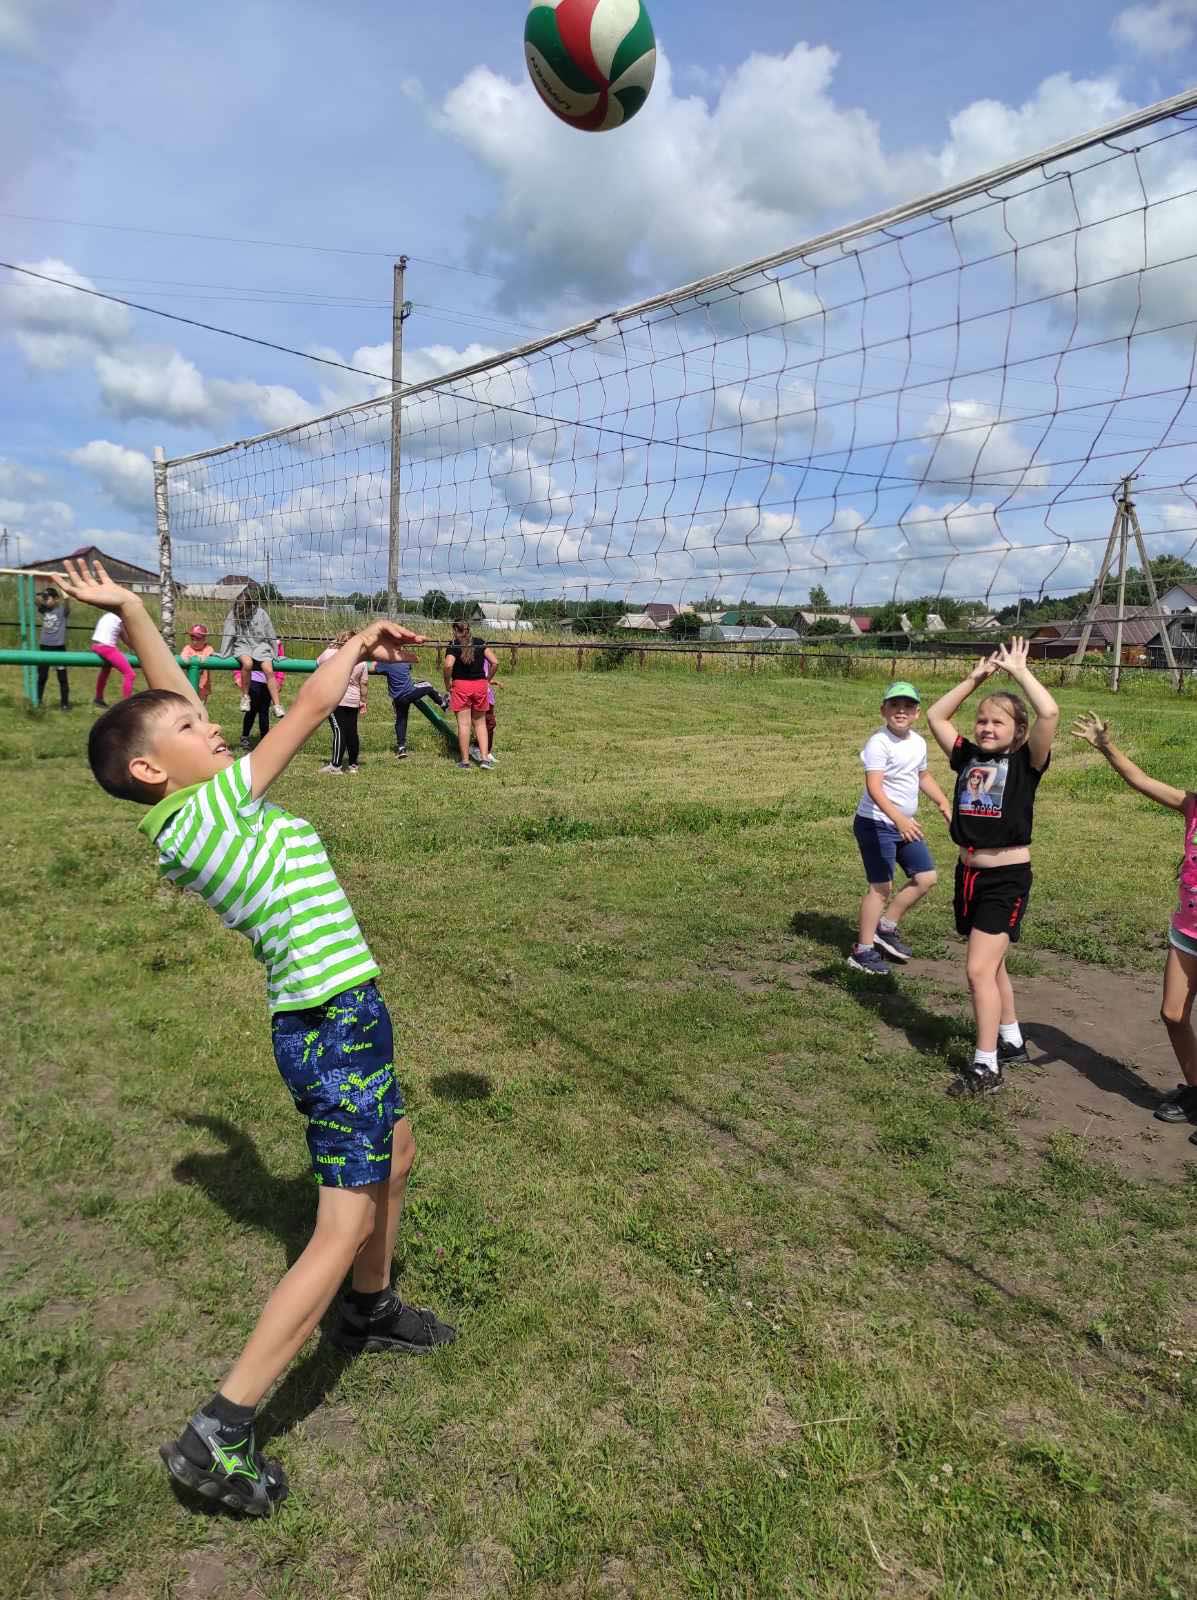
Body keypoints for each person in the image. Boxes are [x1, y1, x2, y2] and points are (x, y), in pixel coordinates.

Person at [48, 555, 453, 1518]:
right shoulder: (203, 817)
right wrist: (355, 642)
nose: (209, 720)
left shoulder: (199, 801)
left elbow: (171, 693)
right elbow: (309, 711)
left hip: (341, 1013)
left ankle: (368, 1307)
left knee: (393, 1149)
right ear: (152, 771)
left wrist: (136, 611)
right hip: (328, 1023)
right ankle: (218, 1432)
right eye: (191, 728)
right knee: (339, 1220)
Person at [926, 638, 1059, 1097]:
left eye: (997, 722)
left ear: (1017, 731)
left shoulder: (1027, 762)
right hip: (969, 875)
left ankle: (986, 1068)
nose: (986, 727)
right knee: (992, 963)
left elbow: (1049, 714)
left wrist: (1021, 673)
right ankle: (1011, 1038)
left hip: (1006, 878)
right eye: (982, 720)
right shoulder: (967, 758)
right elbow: (936, 717)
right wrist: (975, 679)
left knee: (978, 970)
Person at [1072, 711, 1197, 1140]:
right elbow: (1141, 780)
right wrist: (1106, 746)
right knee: (1172, 1013)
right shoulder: (1192, 805)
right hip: (1187, 933)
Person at [848, 681, 951, 976]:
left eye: (908, 706)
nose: (901, 711)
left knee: (926, 878)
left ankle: (886, 927)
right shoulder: (878, 743)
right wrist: (899, 819)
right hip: (875, 823)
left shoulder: (918, 742)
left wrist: (943, 801)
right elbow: (874, 788)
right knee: (881, 887)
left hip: (904, 824)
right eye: (894, 705)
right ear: (883, 710)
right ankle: (863, 950)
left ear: (917, 713)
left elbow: (923, 775)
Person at [220, 590, 284, 719]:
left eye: (245, 610)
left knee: (268, 669)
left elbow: (270, 633)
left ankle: (277, 705)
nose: (242, 613)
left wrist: (275, 652)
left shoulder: (261, 614)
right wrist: (224, 653)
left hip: (260, 645)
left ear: (251, 606)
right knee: (247, 664)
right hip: (242, 644)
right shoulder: (233, 614)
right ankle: (245, 697)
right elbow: (228, 633)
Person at [444, 620, 499, 771]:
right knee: (480, 724)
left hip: (461, 686)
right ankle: (484, 759)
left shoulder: (453, 645)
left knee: (464, 725)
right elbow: (495, 662)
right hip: (480, 685)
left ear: (455, 630)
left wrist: (447, 682)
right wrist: (487, 680)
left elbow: (448, 665)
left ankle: (465, 762)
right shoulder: (480, 642)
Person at [373, 657, 449, 758]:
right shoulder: (405, 661)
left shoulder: (386, 664)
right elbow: (409, 667)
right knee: (428, 685)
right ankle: (442, 702)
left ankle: (401, 748)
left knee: (401, 721)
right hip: (411, 693)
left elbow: (373, 669)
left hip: (398, 698)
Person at [318, 630, 368, 774]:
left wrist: (332, 645)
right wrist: (363, 701)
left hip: (336, 699)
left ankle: (335, 765)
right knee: (352, 732)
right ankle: (353, 765)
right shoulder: (361, 660)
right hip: (353, 700)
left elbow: (318, 662)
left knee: (339, 730)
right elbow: (364, 683)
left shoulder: (331, 654)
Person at [91, 607, 136, 706]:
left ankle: (98, 698)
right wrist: (136, 648)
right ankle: (126, 704)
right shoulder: (119, 619)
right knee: (130, 674)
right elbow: (125, 638)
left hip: (96, 645)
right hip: (106, 648)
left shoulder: (108, 616)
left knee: (106, 669)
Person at [35, 586, 71, 710]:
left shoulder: (62, 611)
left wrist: (64, 593)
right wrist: (42, 596)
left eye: (48, 598)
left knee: (62, 677)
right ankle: (38, 701)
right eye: (45, 598)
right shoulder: (44, 609)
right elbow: (37, 601)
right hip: (44, 647)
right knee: (42, 676)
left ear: (56, 599)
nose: (45, 600)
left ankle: (65, 704)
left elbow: (67, 601)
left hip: (59, 648)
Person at [470, 654, 500, 764]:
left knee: (490, 723)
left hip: (487, 694)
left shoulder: (485, 658)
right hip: (479, 693)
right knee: (484, 723)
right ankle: (478, 748)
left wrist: (490, 681)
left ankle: (486, 751)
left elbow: (485, 674)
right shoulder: (473, 657)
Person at [180, 624, 215, 704]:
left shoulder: (208, 648)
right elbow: (183, 656)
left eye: (198, 639)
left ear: (204, 639)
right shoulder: (188, 648)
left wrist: (202, 657)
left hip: (203, 687)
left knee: (200, 708)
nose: (194, 642)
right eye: (192, 639)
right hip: (188, 685)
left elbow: (208, 654)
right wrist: (186, 657)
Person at [239, 665, 272, 749]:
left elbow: (279, 660)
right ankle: (245, 736)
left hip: (269, 682)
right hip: (253, 680)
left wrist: (279, 680)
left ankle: (264, 739)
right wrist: (238, 676)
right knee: (251, 711)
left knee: (264, 712)